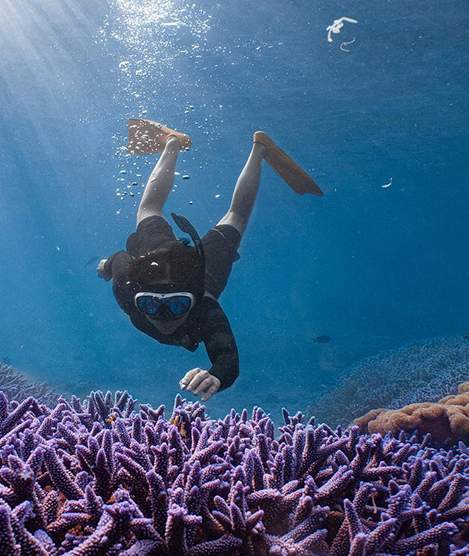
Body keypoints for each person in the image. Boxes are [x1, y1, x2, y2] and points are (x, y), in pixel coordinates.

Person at [97, 119, 322, 401]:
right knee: (165, 209)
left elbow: (227, 357)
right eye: (150, 304)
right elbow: (120, 259)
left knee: (183, 211)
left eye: (177, 305)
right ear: (137, 295)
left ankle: (251, 149)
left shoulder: (204, 307)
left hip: (200, 272)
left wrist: (217, 374)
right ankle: (177, 142)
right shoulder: (127, 286)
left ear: (194, 299)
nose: (163, 318)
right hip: (156, 258)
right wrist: (109, 264)